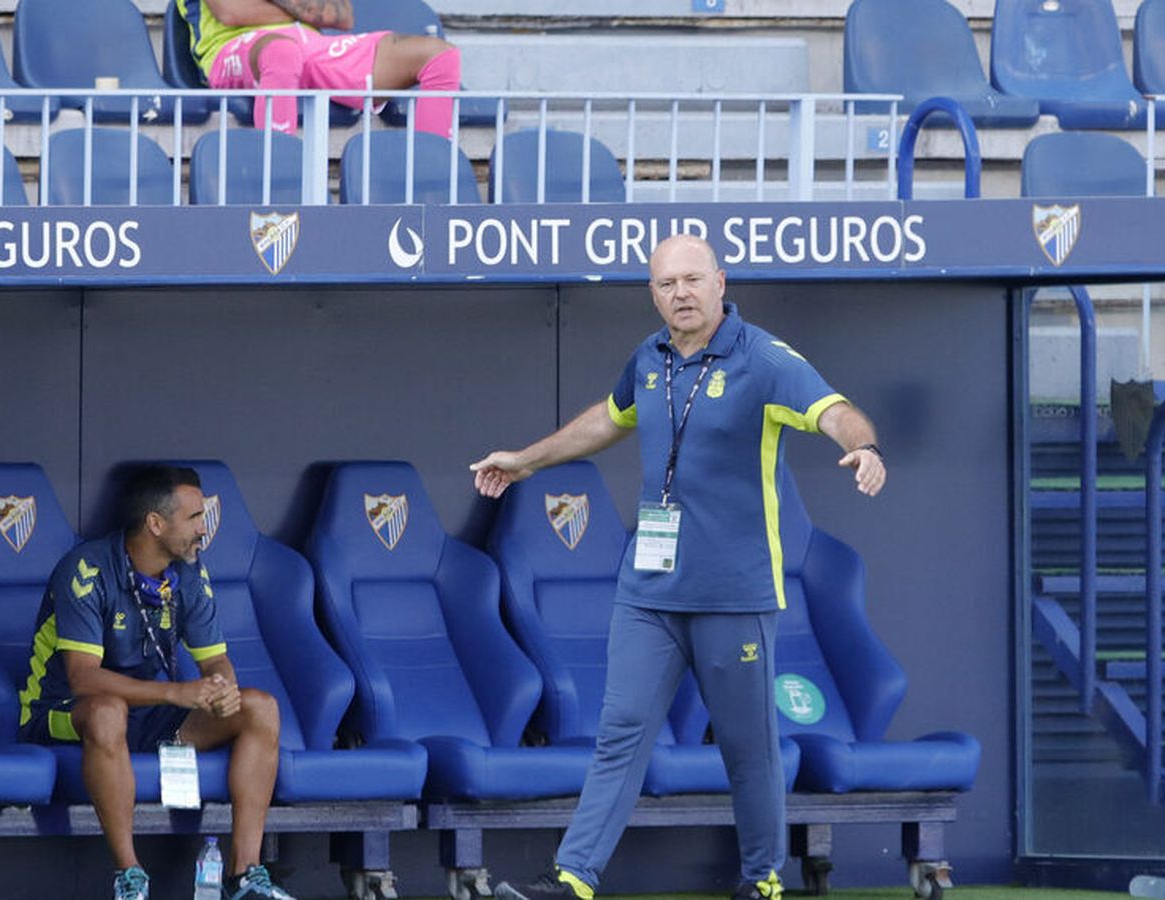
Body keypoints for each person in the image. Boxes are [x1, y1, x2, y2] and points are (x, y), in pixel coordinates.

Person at [470, 235, 887, 900]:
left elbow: (835, 411)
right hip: (650, 593)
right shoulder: (650, 356)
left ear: (721, 282)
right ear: (653, 293)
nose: (682, 294)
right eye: (667, 284)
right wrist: (526, 459)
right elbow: (607, 421)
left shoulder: (765, 360)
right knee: (619, 735)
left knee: (748, 752)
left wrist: (864, 448)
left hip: (734, 596)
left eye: (693, 280)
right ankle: (574, 878)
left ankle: (763, 880)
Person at [18, 466, 291, 900]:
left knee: (259, 708)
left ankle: (245, 876)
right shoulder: (87, 569)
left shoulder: (189, 573)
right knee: (108, 711)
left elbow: (216, 658)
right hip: (64, 709)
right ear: (155, 523)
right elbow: (83, 678)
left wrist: (223, 691)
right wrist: (176, 692)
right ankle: (130, 877)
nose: (205, 528)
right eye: (195, 518)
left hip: (146, 715)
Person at [178, 0, 463, 138]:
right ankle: (277, 178)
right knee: (282, 53)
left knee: (438, 55)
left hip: (312, 46)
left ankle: (431, 183)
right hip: (234, 51)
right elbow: (232, 12)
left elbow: (341, 15)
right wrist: (303, 8)